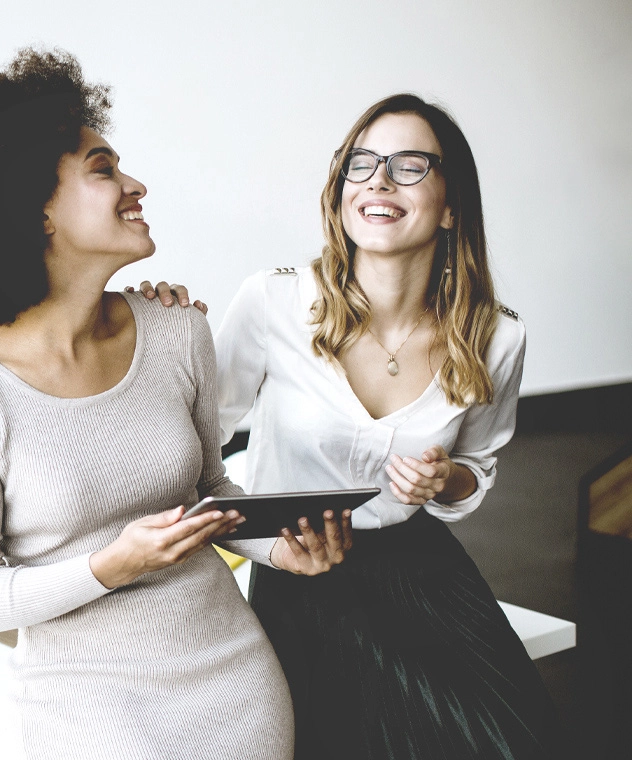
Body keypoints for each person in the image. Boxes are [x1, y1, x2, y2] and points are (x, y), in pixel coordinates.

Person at [0, 49, 353, 759]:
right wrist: (112, 565)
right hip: (87, 705)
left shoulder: (178, 331)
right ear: (36, 210)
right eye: (104, 169)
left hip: (233, 678)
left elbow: (211, 494)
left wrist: (281, 551)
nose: (135, 184)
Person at [137, 94, 557, 759]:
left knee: (511, 740)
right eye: (360, 164)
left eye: (410, 164)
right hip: (298, 568)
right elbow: (189, 449)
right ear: (339, 194)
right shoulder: (273, 300)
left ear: (451, 205)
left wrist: (444, 479)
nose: (380, 180)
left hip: (422, 572)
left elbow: (477, 470)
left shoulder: (497, 335)